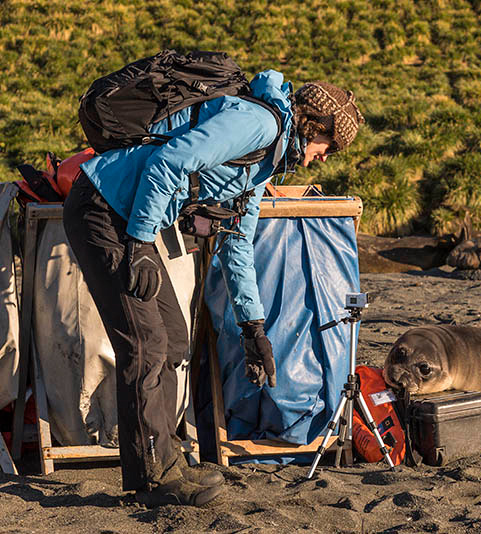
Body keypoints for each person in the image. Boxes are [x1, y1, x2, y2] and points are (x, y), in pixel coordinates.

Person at [62, 70, 364, 507]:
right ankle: (156, 475)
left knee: (173, 340)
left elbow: (237, 244)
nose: (324, 157)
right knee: (146, 344)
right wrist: (143, 242)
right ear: (314, 125)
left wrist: (252, 327)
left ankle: (168, 461)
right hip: (103, 209)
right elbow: (169, 161)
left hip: (128, 221)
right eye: (328, 147)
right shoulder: (258, 125)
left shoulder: (266, 161)